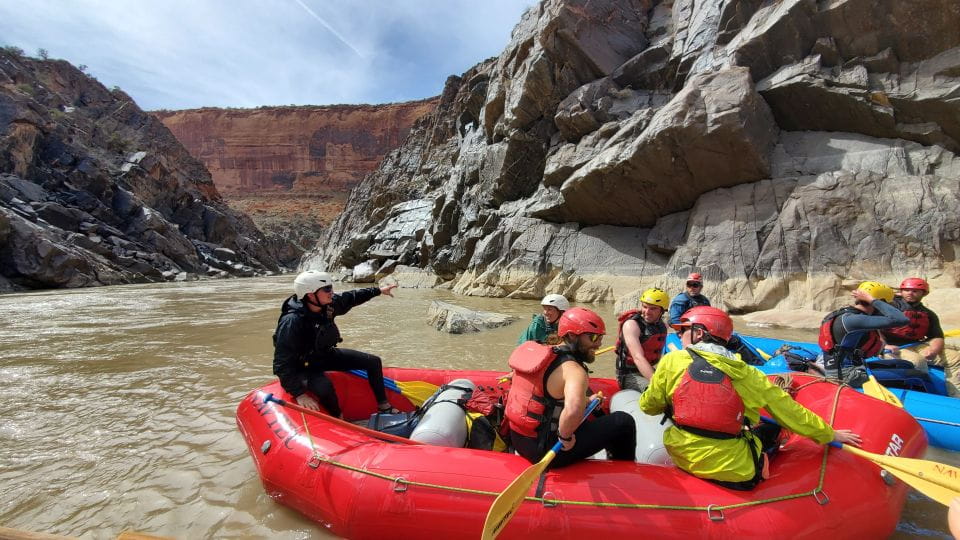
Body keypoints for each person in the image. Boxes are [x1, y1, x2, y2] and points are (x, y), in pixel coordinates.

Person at [640, 306, 862, 490]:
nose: (679, 335)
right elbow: (790, 412)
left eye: (683, 330)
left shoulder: (671, 362)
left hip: (681, 456)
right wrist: (829, 433)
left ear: (699, 333)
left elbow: (648, 406)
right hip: (733, 471)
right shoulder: (748, 374)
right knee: (772, 429)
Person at [505, 307, 637, 468]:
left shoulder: (540, 353)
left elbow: (547, 395)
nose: (598, 344)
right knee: (623, 421)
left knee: (595, 412)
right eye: (593, 337)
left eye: (600, 338)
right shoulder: (574, 370)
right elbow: (574, 409)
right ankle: (626, 473)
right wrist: (565, 437)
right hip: (547, 450)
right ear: (572, 335)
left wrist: (587, 400)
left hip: (519, 439)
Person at [272, 270, 399, 418]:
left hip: (324, 355)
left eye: (331, 287)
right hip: (303, 367)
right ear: (310, 294)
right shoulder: (292, 321)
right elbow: (281, 363)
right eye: (326, 289)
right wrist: (299, 394)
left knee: (373, 362)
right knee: (325, 387)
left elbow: (351, 297)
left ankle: (384, 407)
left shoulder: (328, 305)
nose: (331, 292)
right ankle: (339, 418)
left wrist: (378, 290)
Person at [882, 277, 960, 396]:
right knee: (917, 361)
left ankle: (956, 396)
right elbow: (873, 330)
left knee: (955, 358)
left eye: (915, 291)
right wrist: (884, 345)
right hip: (891, 348)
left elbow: (937, 336)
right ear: (901, 291)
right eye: (907, 290)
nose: (910, 293)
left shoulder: (928, 314)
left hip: (915, 346)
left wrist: (934, 350)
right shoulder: (889, 307)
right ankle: (925, 395)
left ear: (924, 293)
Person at [817, 281, 910, 381]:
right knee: (918, 375)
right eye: (887, 304)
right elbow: (902, 320)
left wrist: (883, 348)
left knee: (905, 364)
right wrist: (873, 300)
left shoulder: (847, 314)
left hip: (845, 367)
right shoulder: (855, 319)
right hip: (847, 375)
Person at [615, 288, 669, 390]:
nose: (647, 312)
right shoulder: (632, 325)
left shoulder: (663, 326)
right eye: (645, 307)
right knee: (657, 392)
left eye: (653, 308)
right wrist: (656, 383)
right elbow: (638, 357)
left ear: (662, 311)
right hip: (628, 374)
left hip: (648, 369)